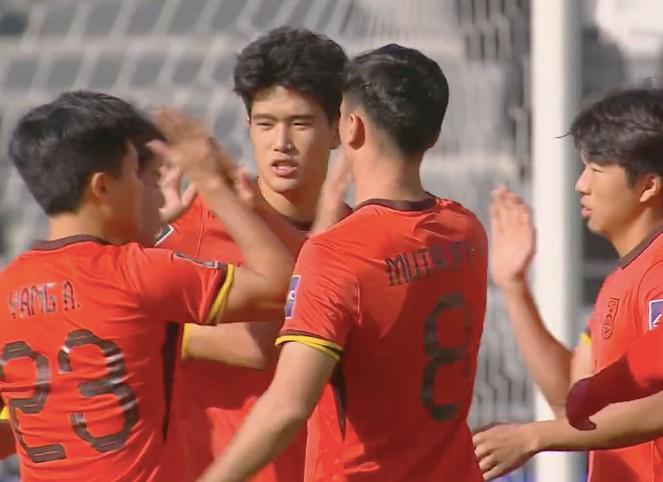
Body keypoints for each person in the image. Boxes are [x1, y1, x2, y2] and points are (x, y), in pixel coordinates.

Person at [198, 43, 489, 482]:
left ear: (350, 127)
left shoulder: (338, 253)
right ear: (432, 136)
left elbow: (287, 407)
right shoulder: (465, 230)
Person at [0, 90, 293, 481]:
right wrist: (213, 185)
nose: (142, 188)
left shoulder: (8, 288)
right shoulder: (135, 272)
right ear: (103, 187)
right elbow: (279, 288)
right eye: (135, 173)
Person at [157, 26, 348, 482]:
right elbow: (114, 315)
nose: (281, 142)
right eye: (265, 123)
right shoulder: (194, 228)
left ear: (339, 129)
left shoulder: (359, 235)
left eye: (300, 123)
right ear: (248, 127)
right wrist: (175, 335)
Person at [473, 87, 663, 481]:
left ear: (648, 185)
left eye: (596, 168)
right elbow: (572, 403)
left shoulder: (657, 271)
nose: (581, 184)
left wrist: (533, 436)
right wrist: (513, 285)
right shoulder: (623, 278)